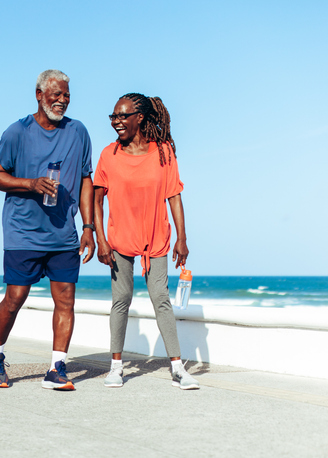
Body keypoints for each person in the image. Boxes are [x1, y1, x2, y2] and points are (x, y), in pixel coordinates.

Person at [0, 69, 95, 390]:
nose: (62, 101)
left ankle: (57, 367)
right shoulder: (17, 132)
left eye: (66, 96)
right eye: (55, 95)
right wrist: (30, 183)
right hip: (23, 231)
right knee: (15, 298)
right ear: (39, 95)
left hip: (63, 234)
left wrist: (88, 226)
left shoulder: (78, 132)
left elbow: (87, 179)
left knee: (66, 300)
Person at [93, 93, 199, 390]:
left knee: (160, 300)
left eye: (122, 116)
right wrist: (100, 238)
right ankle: (116, 367)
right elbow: (96, 199)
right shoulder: (108, 155)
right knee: (121, 301)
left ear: (139, 117)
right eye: (113, 117)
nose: (116, 122)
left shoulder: (163, 152)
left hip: (156, 238)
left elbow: (174, 195)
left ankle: (177, 368)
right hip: (119, 240)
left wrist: (182, 237)